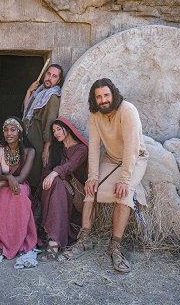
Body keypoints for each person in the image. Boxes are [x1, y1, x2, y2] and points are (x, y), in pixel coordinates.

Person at [63, 78, 149, 273]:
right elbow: (93, 147)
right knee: (90, 189)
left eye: (106, 95)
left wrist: (124, 179)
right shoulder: (95, 115)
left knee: (124, 194)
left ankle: (115, 247)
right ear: (94, 99)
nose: (103, 100)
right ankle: (83, 240)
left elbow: (131, 148)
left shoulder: (127, 110)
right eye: (99, 96)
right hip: (111, 158)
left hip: (135, 158)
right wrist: (92, 177)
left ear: (113, 94)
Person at [0, 117, 37, 259]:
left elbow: (22, 178)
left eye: (13, 130)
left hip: (20, 184)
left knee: (20, 194)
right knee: (1, 195)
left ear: (20, 132)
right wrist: (6, 179)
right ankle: (4, 239)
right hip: (4, 182)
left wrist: (1, 183)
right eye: (6, 130)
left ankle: (19, 239)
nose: (9, 133)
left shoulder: (30, 151)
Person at [38, 117, 88, 261]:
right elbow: (46, 171)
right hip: (54, 188)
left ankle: (53, 242)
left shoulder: (81, 149)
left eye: (59, 129)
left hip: (74, 191)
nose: (56, 133)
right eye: (53, 131)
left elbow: (70, 166)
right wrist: (52, 176)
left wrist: (55, 174)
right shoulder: (56, 149)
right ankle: (53, 240)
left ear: (68, 129)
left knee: (57, 183)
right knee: (56, 184)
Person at [23, 64, 63, 192]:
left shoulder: (52, 98)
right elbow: (26, 111)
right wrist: (29, 91)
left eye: (54, 76)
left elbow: (50, 123)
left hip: (38, 141)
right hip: (28, 136)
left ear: (58, 80)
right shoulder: (40, 92)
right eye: (48, 74)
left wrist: (46, 148)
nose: (49, 78)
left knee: (34, 173)